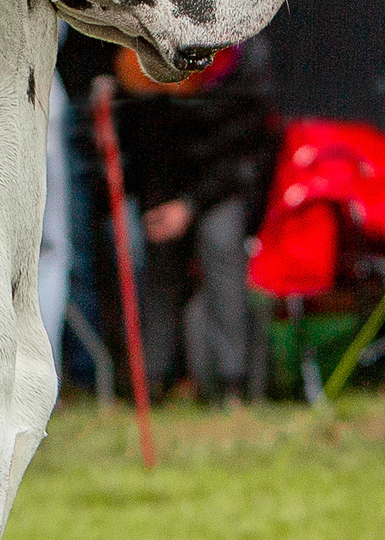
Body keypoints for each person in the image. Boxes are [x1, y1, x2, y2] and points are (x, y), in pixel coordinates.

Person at [108, 36, 280, 402]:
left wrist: (190, 205)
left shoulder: (246, 67)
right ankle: (151, 382)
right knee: (158, 251)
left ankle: (232, 384)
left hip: (223, 185)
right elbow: (145, 141)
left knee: (221, 240)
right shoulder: (144, 65)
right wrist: (161, 201)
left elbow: (242, 156)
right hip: (165, 181)